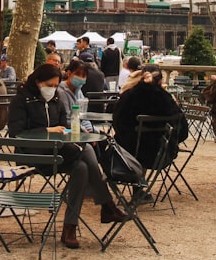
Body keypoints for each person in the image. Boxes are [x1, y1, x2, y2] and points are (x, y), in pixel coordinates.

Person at [8, 64, 127, 250]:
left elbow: (64, 124)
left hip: (57, 151)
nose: (53, 89)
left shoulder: (56, 97)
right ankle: (107, 205)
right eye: (50, 84)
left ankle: (69, 228)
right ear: (38, 81)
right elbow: (16, 133)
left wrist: (70, 133)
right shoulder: (21, 99)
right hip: (33, 154)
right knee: (86, 152)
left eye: (56, 85)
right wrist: (47, 130)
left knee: (82, 168)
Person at [113, 65, 189, 168]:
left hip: (129, 153)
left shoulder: (129, 96)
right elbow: (183, 131)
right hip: (161, 155)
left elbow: (117, 122)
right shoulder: (167, 100)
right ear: (160, 81)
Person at [56, 59, 90, 128]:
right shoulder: (61, 92)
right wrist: (82, 129)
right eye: (77, 74)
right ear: (69, 73)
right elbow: (67, 120)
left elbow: (83, 115)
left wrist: (90, 128)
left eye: (83, 76)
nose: (80, 78)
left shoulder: (79, 91)